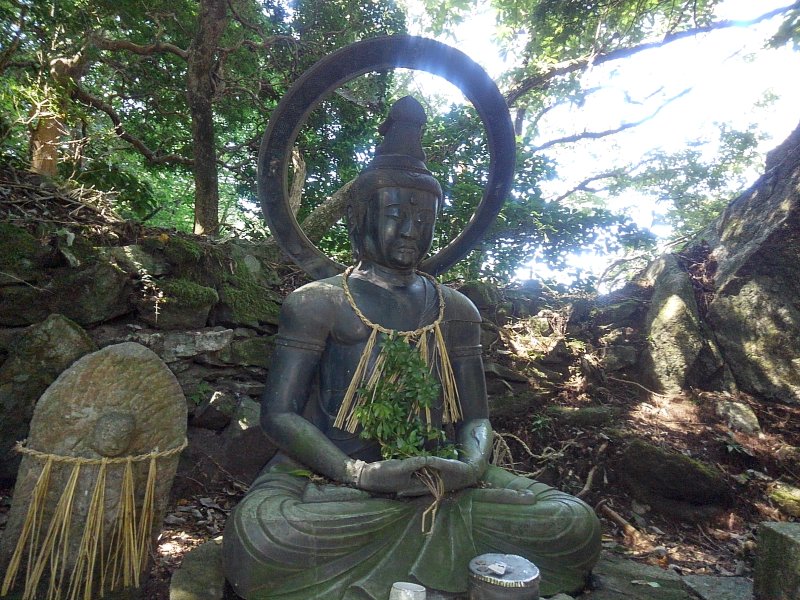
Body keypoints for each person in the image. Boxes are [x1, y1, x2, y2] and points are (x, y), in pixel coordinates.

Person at [223, 96, 600, 600]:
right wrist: (358, 472)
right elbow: (280, 416)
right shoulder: (318, 302)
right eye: (396, 215)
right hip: (333, 473)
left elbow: (475, 419)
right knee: (265, 533)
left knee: (572, 521)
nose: (410, 232)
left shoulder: (456, 310)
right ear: (359, 218)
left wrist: (470, 467)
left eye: (424, 221)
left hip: (443, 473)